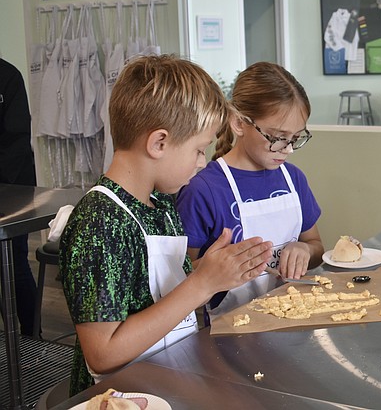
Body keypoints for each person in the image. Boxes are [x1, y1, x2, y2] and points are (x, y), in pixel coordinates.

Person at [60, 55, 273, 396]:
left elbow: (152, 292)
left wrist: (209, 270)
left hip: (167, 378)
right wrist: (201, 284)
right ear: (159, 143)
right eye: (199, 150)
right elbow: (102, 354)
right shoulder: (100, 222)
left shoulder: (160, 204)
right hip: (119, 396)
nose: (202, 163)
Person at [176, 62, 323, 321]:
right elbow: (179, 279)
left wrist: (304, 250)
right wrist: (222, 269)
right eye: (277, 137)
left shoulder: (293, 179)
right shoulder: (204, 190)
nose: (288, 149)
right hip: (227, 330)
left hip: (291, 320)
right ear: (239, 123)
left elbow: (317, 247)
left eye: (296, 138)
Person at [0, 58, 38, 337]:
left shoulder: (8, 77)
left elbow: (17, 139)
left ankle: (32, 335)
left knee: (14, 263)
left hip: (14, 188)